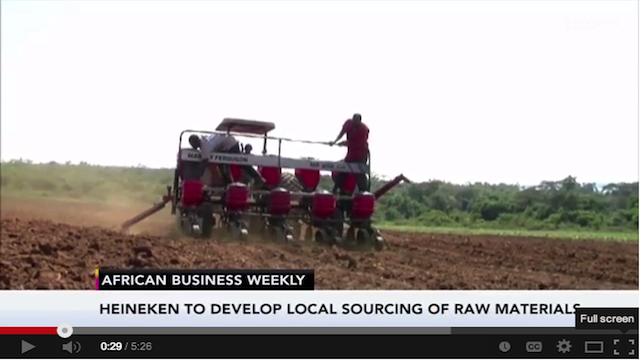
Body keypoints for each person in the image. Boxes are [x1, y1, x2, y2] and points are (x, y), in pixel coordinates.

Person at [190, 134, 265, 186]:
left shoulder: (205, 147)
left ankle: (256, 178)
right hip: (227, 142)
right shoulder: (204, 139)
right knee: (223, 165)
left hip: (230, 145)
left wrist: (195, 177)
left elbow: (204, 163)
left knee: (239, 162)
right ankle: (229, 184)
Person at [330, 113, 370, 193]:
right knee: (343, 171)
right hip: (351, 154)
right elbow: (342, 132)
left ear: (360, 121)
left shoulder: (364, 130)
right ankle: (335, 189)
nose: (355, 124)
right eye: (354, 122)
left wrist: (344, 143)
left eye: (357, 123)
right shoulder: (348, 123)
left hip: (361, 155)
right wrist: (335, 141)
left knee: (359, 174)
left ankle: (364, 192)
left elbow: (358, 144)